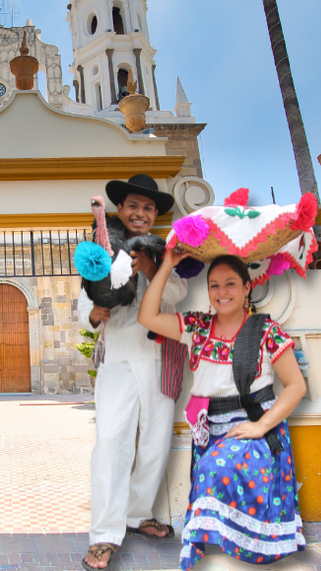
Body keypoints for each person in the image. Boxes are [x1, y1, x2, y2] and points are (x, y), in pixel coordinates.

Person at [138, 250, 307, 569]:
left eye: (230, 284)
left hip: (253, 426)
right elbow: (147, 316)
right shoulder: (196, 327)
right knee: (211, 486)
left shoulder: (266, 332)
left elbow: (296, 385)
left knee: (213, 472)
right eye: (214, 285)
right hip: (209, 431)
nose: (221, 292)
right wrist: (168, 266)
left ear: (247, 288)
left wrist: (260, 427)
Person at [79, 174, 188, 571]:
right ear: (120, 211)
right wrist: (91, 313)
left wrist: (150, 268)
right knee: (110, 440)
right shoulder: (103, 248)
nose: (140, 213)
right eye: (133, 206)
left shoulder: (165, 254)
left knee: (156, 441)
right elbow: (85, 298)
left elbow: (177, 295)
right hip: (119, 359)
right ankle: (104, 535)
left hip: (160, 357)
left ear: (155, 215)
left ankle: (138, 514)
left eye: (148, 208)